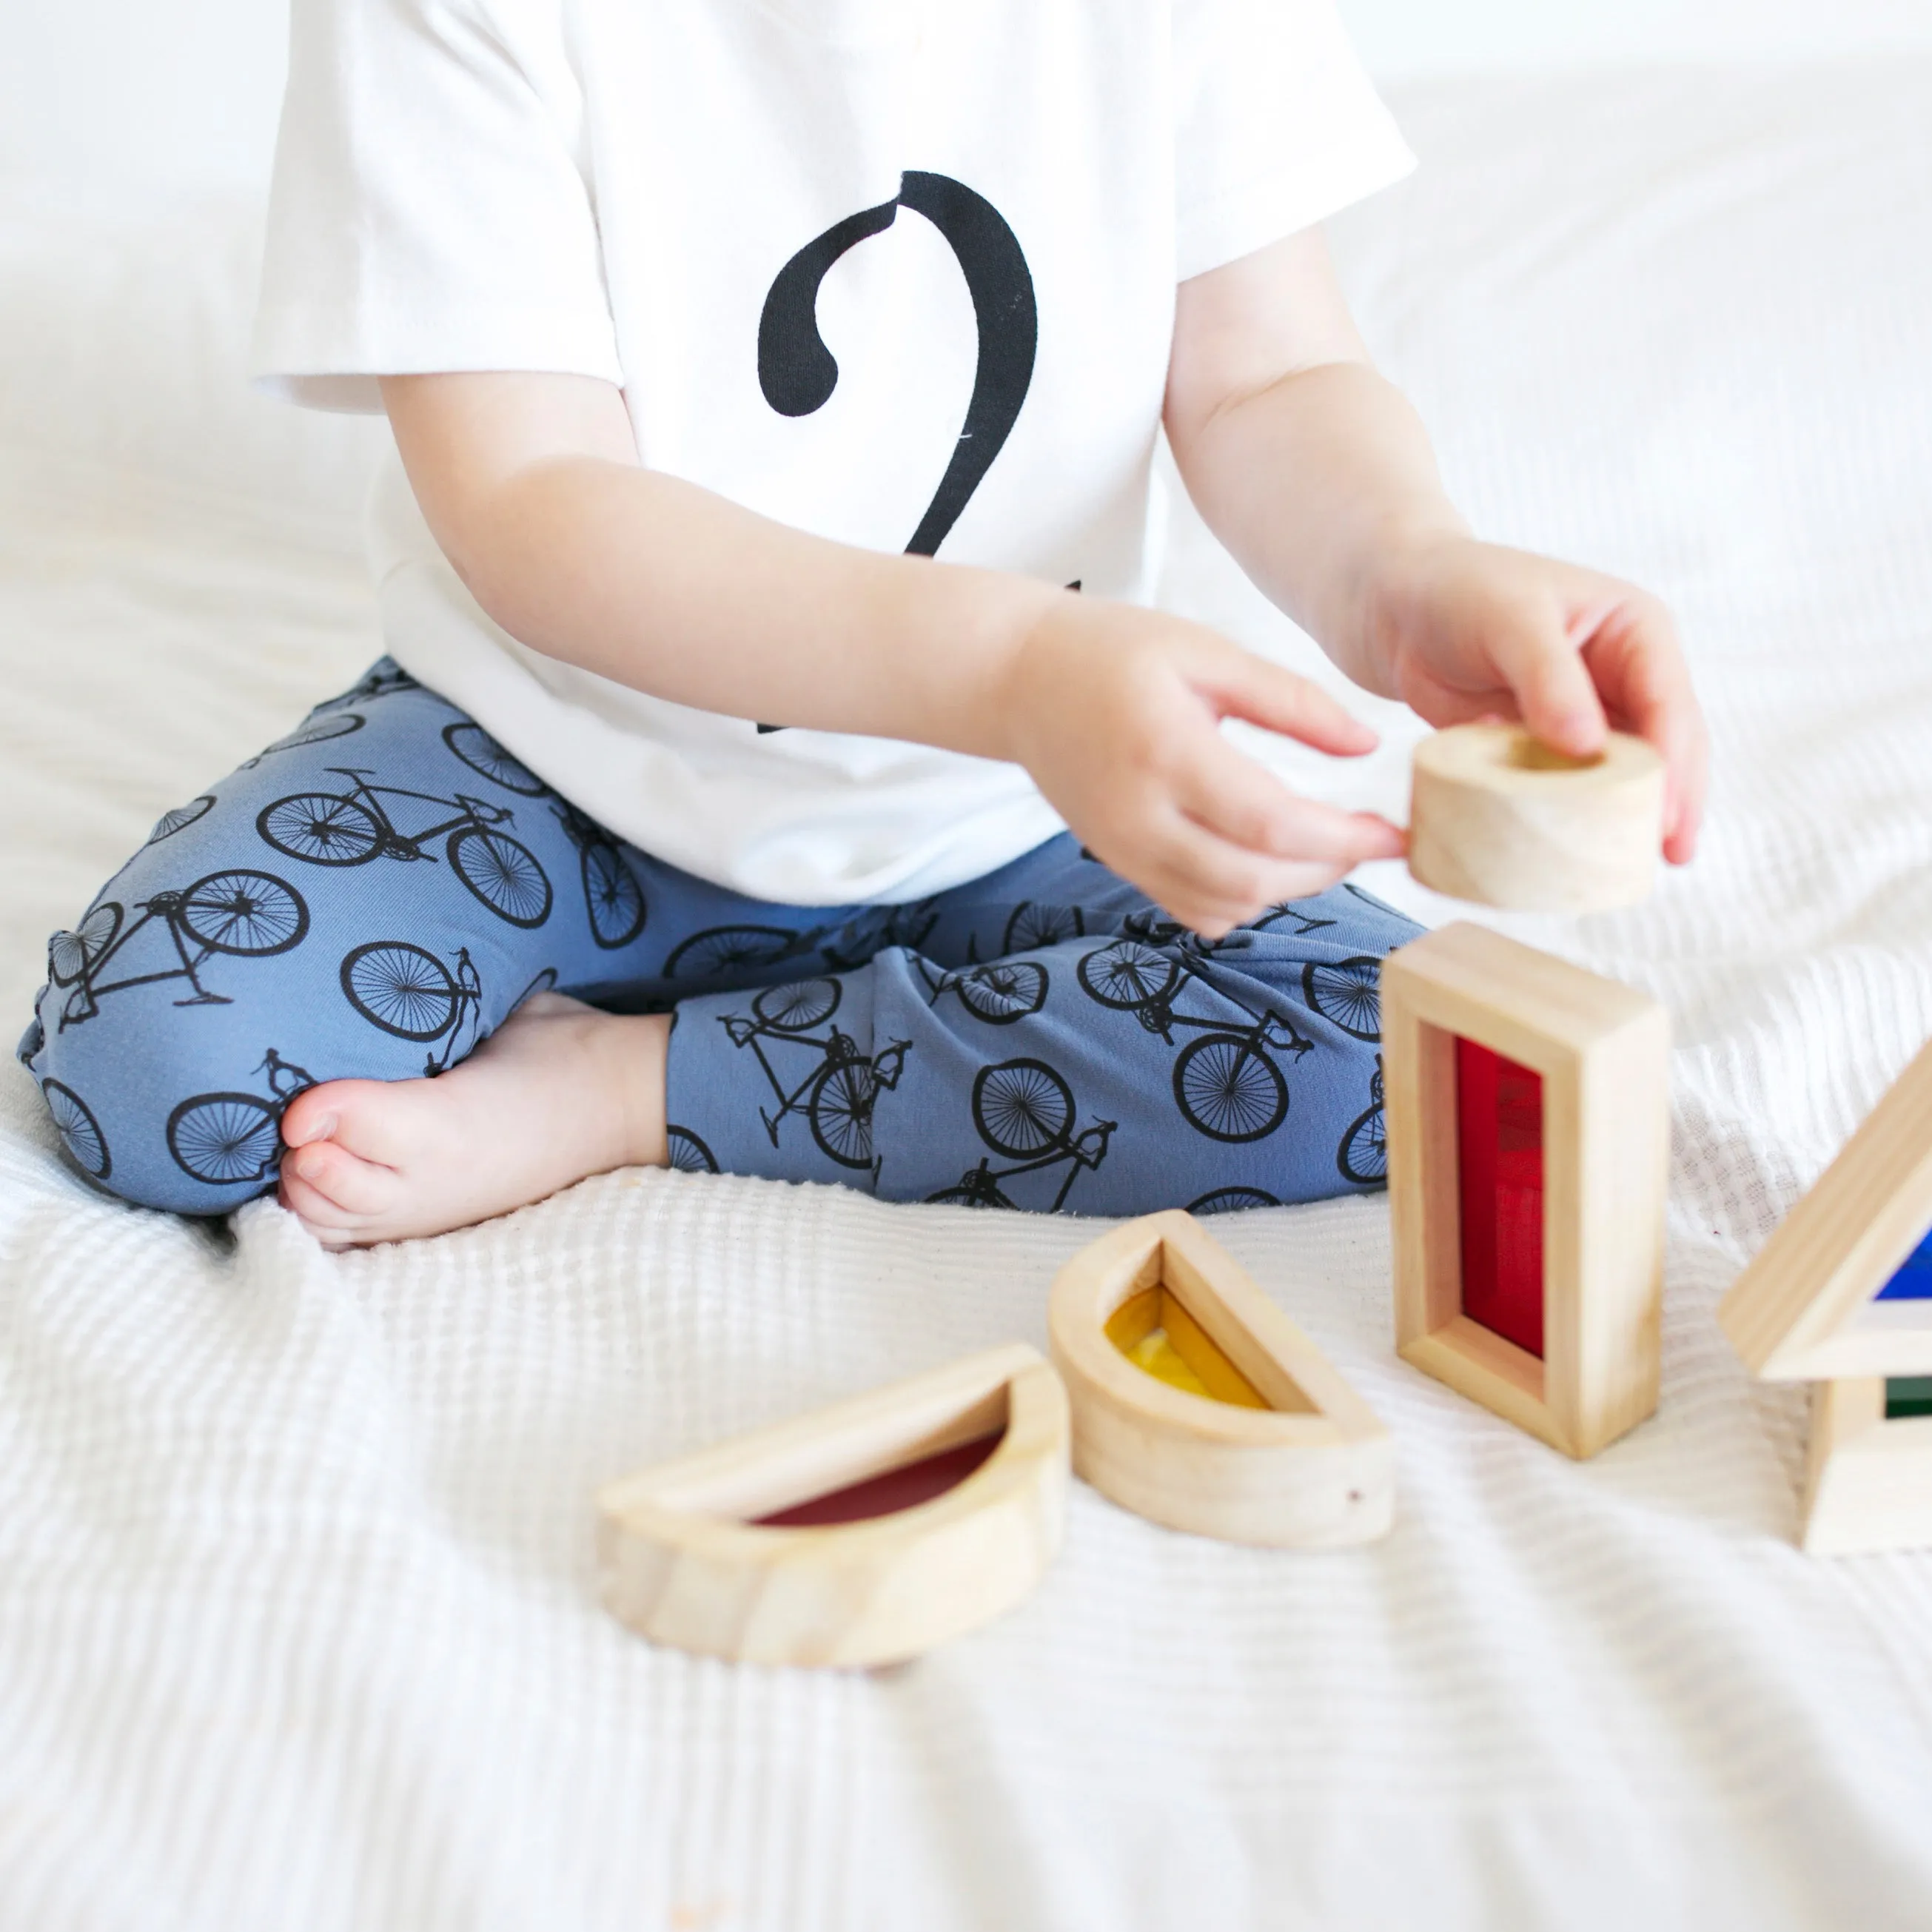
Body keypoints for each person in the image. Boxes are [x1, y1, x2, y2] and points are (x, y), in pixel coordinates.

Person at [20, 0, 1705, 1247]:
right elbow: (538, 506)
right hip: (551, 770)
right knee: (159, 1055)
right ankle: (704, 1043)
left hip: (1019, 818)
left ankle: (627, 1086)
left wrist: (1411, 573)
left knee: (1405, 1067)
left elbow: (1270, 374)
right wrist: (1015, 666)